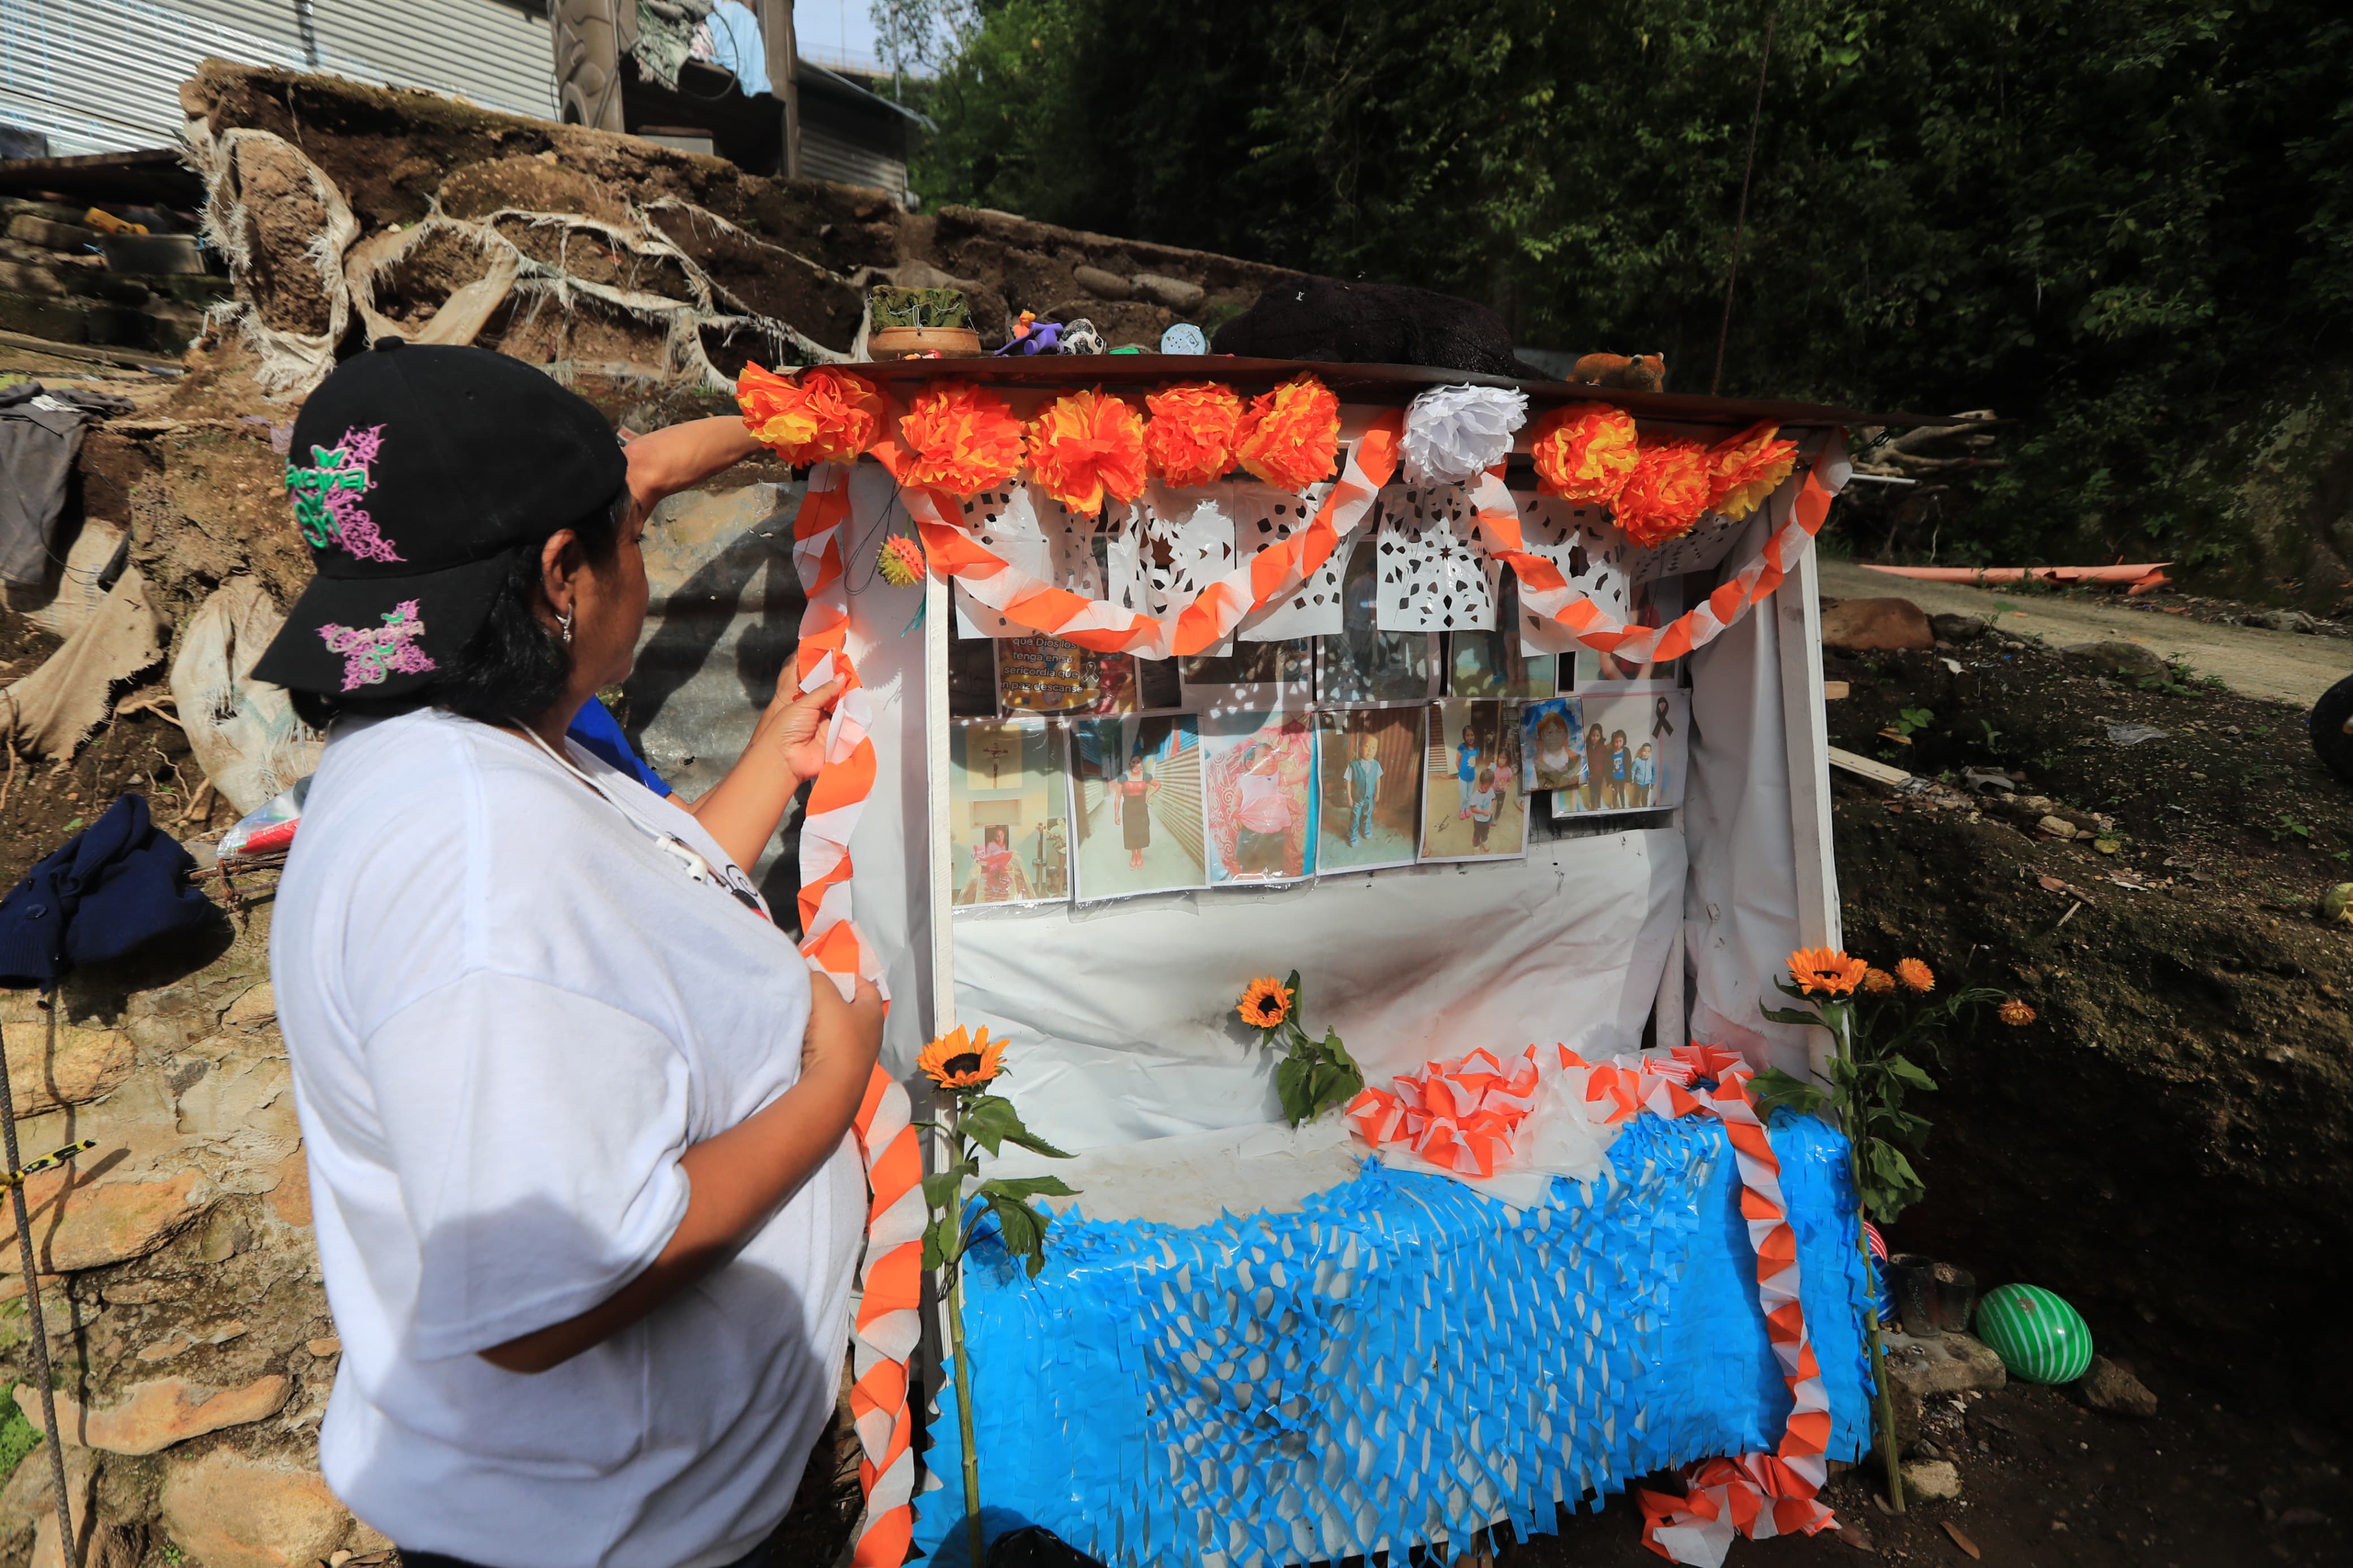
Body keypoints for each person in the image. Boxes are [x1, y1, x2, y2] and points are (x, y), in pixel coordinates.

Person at [254, 342, 886, 1568]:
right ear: (559, 574)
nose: (639, 551)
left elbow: (619, 933)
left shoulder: (459, 735)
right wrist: (832, 1086)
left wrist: (772, 762)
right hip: (620, 1534)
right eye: (625, 536)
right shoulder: (477, 857)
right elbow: (552, 1295)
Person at [962, 822, 1033, 904]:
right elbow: (988, 862)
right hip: (991, 873)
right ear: (994, 837)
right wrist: (981, 862)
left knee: (1003, 891)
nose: (1000, 838)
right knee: (992, 891)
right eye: (997, 836)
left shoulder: (1008, 854)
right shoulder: (991, 846)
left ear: (1004, 836)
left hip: (1000, 872)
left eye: (1001, 835)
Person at [1114, 753, 1160, 870]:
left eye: (1138, 762)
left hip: (1141, 809)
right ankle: (1133, 857)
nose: (1135, 765)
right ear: (1130, 764)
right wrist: (1116, 815)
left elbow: (1158, 785)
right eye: (1133, 762)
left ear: (1141, 764)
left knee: (1142, 832)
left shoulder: (1146, 777)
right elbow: (1118, 797)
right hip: (1128, 809)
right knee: (1131, 833)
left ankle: (1139, 856)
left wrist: (1148, 797)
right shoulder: (1123, 778)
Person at [1344, 729, 1384, 845]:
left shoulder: (1376, 765)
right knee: (1355, 816)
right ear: (1360, 747)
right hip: (1357, 798)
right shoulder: (1353, 765)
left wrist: (1378, 793)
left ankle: (1365, 830)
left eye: (1373, 748)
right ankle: (1352, 835)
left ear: (1376, 750)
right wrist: (1349, 797)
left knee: (1368, 814)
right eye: (1367, 746)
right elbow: (1348, 781)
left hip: (1369, 798)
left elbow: (1378, 779)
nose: (1370, 750)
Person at [1465, 764, 1499, 851]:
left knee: (1486, 831)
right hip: (1478, 820)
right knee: (1477, 833)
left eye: (1490, 786)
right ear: (1480, 784)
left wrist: (1492, 809)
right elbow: (1472, 809)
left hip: (1488, 818)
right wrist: (1483, 812)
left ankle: (1484, 840)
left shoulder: (1490, 790)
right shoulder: (1476, 796)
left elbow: (1494, 799)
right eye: (1486, 787)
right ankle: (1476, 846)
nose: (1488, 789)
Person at [1455, 723, 1481, 818]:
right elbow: (1457, 761)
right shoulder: (1462, 748)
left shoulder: (1477, 749)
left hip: (1472, 777)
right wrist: (1461, 772)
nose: (1470, 738)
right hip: (1463, 777)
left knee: (1469, 795)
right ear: (1464, 737)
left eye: (1472, 735)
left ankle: (1467, 809)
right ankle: (1462, 810)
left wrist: (1473, 771)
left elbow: (1476, 761)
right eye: (1468, 735)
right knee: (1463, 796)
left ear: (1474, 736)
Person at [1583, 722, 1608, 811]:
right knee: (1592, 792)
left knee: (1598, 791)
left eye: (1597, 736)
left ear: (1600, 736)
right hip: (1591, 775)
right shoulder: (1587, 748)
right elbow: (1585, 762)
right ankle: (1593, 806)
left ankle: (1599, 805)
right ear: (1590, 735)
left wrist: (1605, 774)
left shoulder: (1603, 748)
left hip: (1600, 775)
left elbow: (1606, 762)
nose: (1595, 738)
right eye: (1593, 735)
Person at [1632, 740, 1658, 807]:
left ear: (1651, 753)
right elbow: (1632, 771)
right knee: (1636, 797)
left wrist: (1653, 783)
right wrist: (1632, 780)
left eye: (1649, 752)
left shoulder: (1652, 761)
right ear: (1641, 752)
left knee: (1644, 798)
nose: (1646, 753)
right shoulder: (1637, 761)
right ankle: (1634, 809)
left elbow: (1655, 772)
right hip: (1638, 783)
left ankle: (1644, 809)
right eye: (1644, 751)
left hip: (1647, 784)